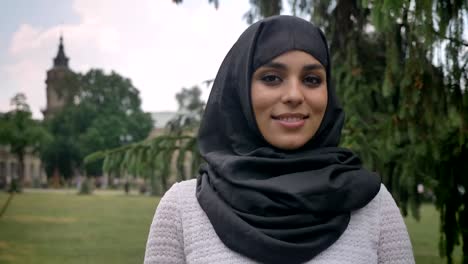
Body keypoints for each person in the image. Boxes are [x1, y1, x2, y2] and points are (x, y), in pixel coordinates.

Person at [144, 15, 414, 264]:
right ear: (239, 91)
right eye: (272, 78)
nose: (294, 95)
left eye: (311, 79)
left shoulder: (372, 205)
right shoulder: (183, 209)